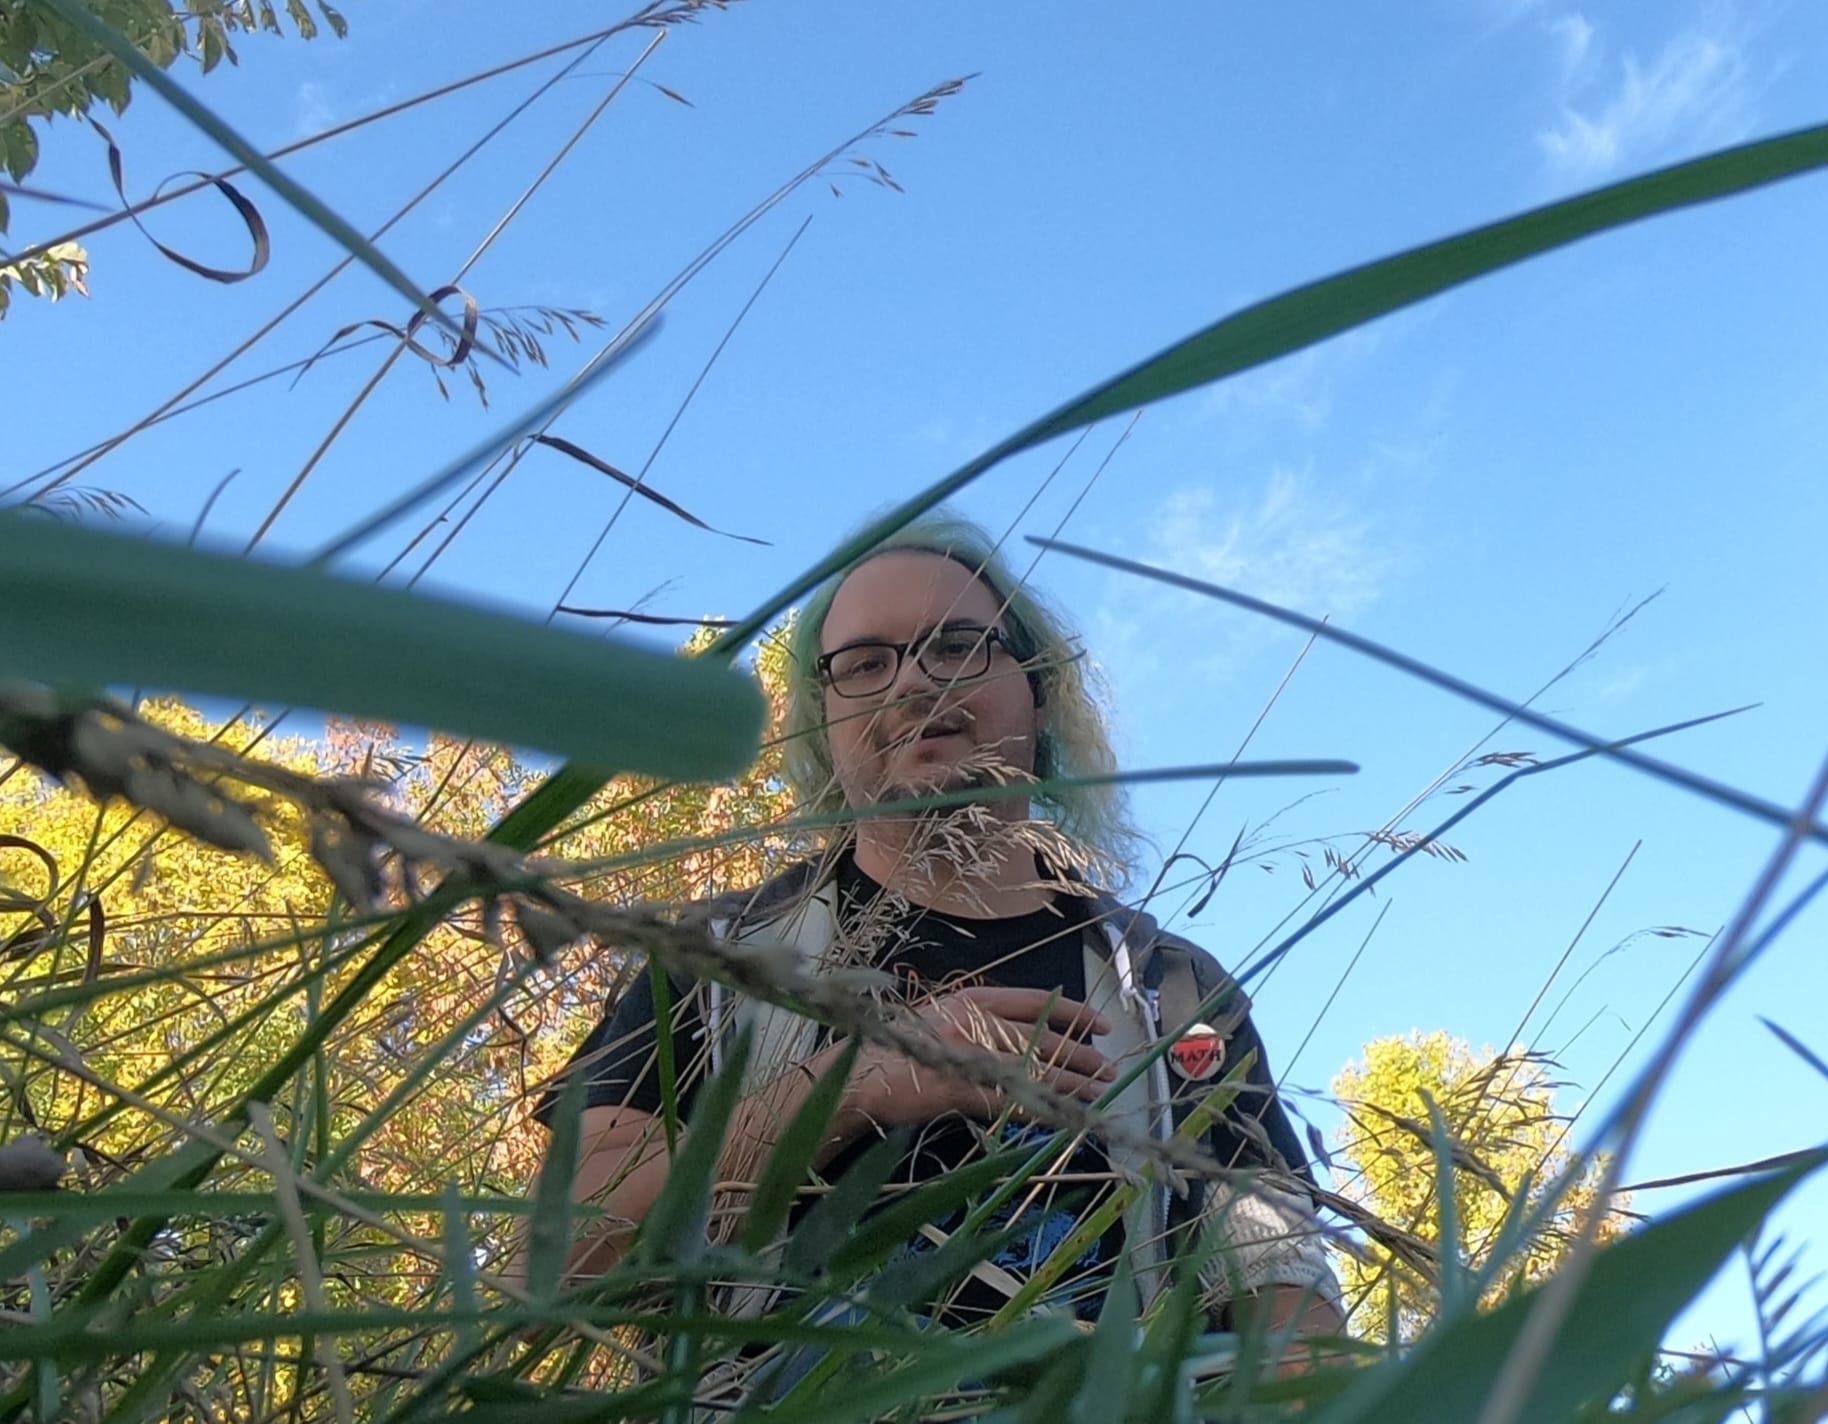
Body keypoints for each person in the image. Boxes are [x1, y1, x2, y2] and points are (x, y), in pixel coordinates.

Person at [534, 512, 1342, 1362]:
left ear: (1037, 687)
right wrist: (863, 1082)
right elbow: (555, 1259)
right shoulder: (717, 958)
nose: (914, 683)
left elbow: (1284, 1303)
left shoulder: (1174, 990)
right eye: (865, 663)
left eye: (957, 645)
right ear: (820, 720)